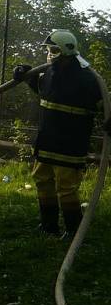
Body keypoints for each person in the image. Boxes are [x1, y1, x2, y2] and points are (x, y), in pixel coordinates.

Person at [13, 30, 108, 239]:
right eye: (48, 50)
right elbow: (40, 87)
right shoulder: (49, 73)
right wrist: (23, 73)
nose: (50, 55)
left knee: (66, 188)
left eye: (54, 50)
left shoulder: (88, 79)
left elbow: (105, 106)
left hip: (70, 144)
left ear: (67, 51)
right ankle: (49, 227)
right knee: (42, 181)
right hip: (46, 140)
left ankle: (74, 230)